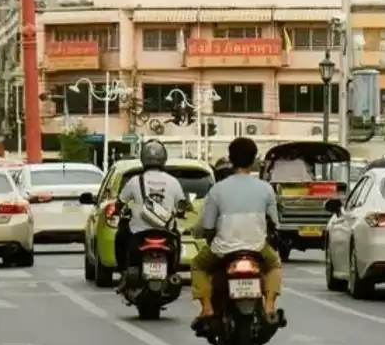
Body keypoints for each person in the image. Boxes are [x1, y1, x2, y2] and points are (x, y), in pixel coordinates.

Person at [191, 135, 284, 328]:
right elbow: (275, 223)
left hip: (224, 249)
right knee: (274, 265)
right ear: (254, 160)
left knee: (198, 265)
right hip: (257, 247)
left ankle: (207, 307)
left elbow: (208, 227)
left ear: (231, 159)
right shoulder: (266, 189)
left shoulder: (217, 190)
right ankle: (269, 305)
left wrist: (210, 237)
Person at [116, 139, 188, 282]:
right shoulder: (173, 181)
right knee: (177, 237)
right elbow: (181, 205)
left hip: (138, 232)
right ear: (164, 158)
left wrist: (119, 210)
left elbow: (120, 202)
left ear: (143, 158)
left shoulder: (135, 181)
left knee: (120, 236)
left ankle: (123, 273)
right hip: (166, 231)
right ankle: (173, 272)